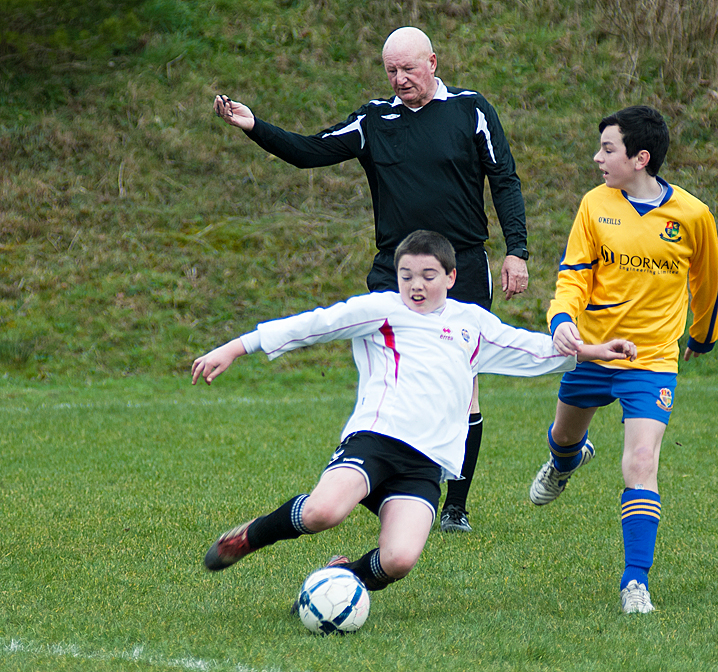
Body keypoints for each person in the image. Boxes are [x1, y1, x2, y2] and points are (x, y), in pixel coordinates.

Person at [192, 230, 636, 600]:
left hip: (426, 462)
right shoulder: (380, 311)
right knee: (323, 513)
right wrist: (235, 348)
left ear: (451, 276)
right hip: (375, 439)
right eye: (406, 276)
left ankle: (339, 583)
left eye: (427, 275)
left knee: (399, 561)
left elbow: (530, 348)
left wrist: (595, 351)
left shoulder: (472, 323)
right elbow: (313, 324)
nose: (416, 285)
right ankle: (250, 536)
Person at [212, 26, 530, 533]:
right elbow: (309, 151)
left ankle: (455, 507)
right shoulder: (373, 121)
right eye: (391, 72)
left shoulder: (471, 109)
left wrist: (517, 251)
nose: (400, 79)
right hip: (394, 270)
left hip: (461, 267)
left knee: (460, 387)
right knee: (387, 379)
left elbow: (505, 179)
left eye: (408, 69)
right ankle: (373, 484)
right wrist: (256, 126)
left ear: (432, 61)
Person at [528, 106, 718, 614]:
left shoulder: (694, 216)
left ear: (641, 158)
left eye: (607, 149)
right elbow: (573, 272)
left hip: (653, 360)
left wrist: (702, 334)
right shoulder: (595, 205)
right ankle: (565, 462)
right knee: (565, 437)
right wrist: (562, 319)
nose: (597, 158)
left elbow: (707, 281)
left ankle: (635, 581)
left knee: (640, 463)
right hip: (592, 351)